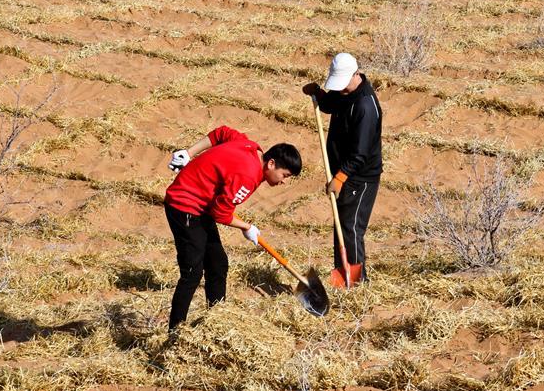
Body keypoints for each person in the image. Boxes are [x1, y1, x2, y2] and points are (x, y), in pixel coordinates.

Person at [164, 126, 301, 330]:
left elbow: (222, 133)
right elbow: (221, 213)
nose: (283, 182)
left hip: (202, 206)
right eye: (285, 175)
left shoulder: (250, 146)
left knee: (218, 263)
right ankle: (175, 330)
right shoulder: (248, 176)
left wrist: (189, 152)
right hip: (184, 206)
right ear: (271, 163)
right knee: (193, 271)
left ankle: (217, 321)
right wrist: (247, 227)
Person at [303, 52, 382, 283]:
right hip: (343, 173)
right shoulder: (346, 93)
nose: (341, 89)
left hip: (360, 177)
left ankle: (356, 283)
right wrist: (318, 94)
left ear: (356, 74)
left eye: (343, 84)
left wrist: (340, 177)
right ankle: (342, 277)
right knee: (341, 227)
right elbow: (330, 104)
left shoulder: (365, 106)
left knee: (350, 228)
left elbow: (360, 154)